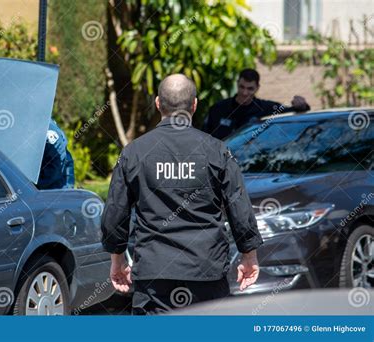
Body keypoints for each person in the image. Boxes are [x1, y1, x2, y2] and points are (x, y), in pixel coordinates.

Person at [101, 74, 263, 315]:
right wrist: (249, 255)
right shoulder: (217, 151)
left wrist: (117, 259)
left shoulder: (134, 153)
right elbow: (239, 207)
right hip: (206, 272)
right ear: (194, 105)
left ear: (158, 104)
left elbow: (115, 213)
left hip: (154, 275)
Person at [202, 68, 310, 140]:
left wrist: (302, 105)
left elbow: (292, 112)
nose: (245, 93)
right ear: (237, 84)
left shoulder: (266, 108)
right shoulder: (218, 108)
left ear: (257, 88)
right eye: (242, 87)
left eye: (250, 89)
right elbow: (203, 136)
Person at [37, 119, 75, 190]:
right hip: (50, 177)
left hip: (56, 186)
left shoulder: (48, 129)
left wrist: (33, 185)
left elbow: (55, 163)